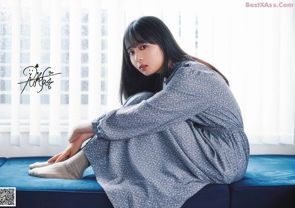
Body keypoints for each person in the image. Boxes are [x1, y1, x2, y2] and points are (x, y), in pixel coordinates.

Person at [29, 16, 250, 208]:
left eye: (143, 47)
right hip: (211, 148)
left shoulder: (193, 77)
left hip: (224, 157)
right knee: (141, 103)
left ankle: (76, 164)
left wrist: (87, 128)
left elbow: (148, 115)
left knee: (145, 109)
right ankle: (77, 163)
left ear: (163, 43)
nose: (137, 58)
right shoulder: (175, 74)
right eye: (132, 52)